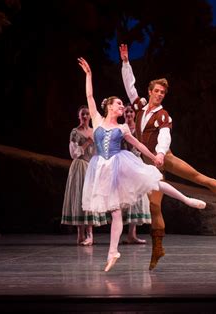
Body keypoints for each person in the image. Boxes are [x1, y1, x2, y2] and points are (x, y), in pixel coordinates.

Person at [119, 44, 216, 270]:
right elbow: (130, 87)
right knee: (155, 206)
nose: (160, 94)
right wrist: (126, 62)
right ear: (150, 91)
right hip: (149, 165)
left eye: (163, 92)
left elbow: (164, 136)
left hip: (165, 157)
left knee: (199, 177)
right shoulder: (140, 108)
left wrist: (162, 154)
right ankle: (157, 248)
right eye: (157, 91)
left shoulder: (164, 115)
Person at [77, 57, 206, 272]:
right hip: (102, 170)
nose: (122, 106)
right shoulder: (97, 120)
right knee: (116, 213)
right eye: (119, 103)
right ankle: (112, 252)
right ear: (109, 106)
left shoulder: (123, 129)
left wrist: (156, 155)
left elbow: (139, 144)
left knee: (152, 181)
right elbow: (89, 96)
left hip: (121, 165)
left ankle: (187, 199)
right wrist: (89, 75)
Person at [61, 106, 108, 246]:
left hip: (91, 166)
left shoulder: (94, 132)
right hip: (79, 167)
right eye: (83, 114)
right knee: (79, 198)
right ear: (79, 116)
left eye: (87, 114)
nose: (85, 116)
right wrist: (87, 142)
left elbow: (99, 152)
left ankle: (90, 235)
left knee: (89, 199)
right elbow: (73, 154)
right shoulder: (75, 132)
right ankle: (80, 234)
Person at [121, 104, 150, 244]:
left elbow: (142, 145)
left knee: (137, 196)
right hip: (124, 162)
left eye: (131, 111)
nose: (129, 114)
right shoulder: (121, 129)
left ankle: (132, 234)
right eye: (126, 112)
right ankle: (122, 234)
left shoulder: (138, 129)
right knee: (125, 197)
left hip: (136, 162)